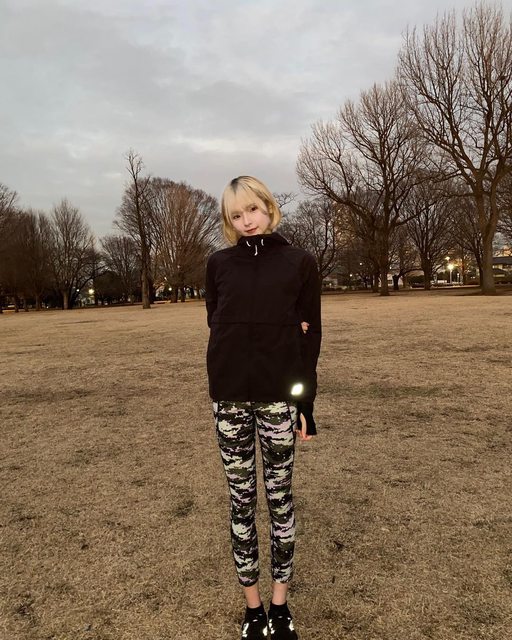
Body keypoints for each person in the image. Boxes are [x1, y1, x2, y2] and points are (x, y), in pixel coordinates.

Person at [205, 176, 322, 640]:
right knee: (241, 503)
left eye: (252, 209)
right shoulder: (218, 264)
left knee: (279, 500)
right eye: (236, 215)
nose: (246, 221)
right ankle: (253, 609)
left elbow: (311, 336)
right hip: (229, 400)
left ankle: (279, 604)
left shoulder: (300, 262)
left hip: (278, 401)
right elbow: (217, 320)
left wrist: (304, 403)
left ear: (269, 207)